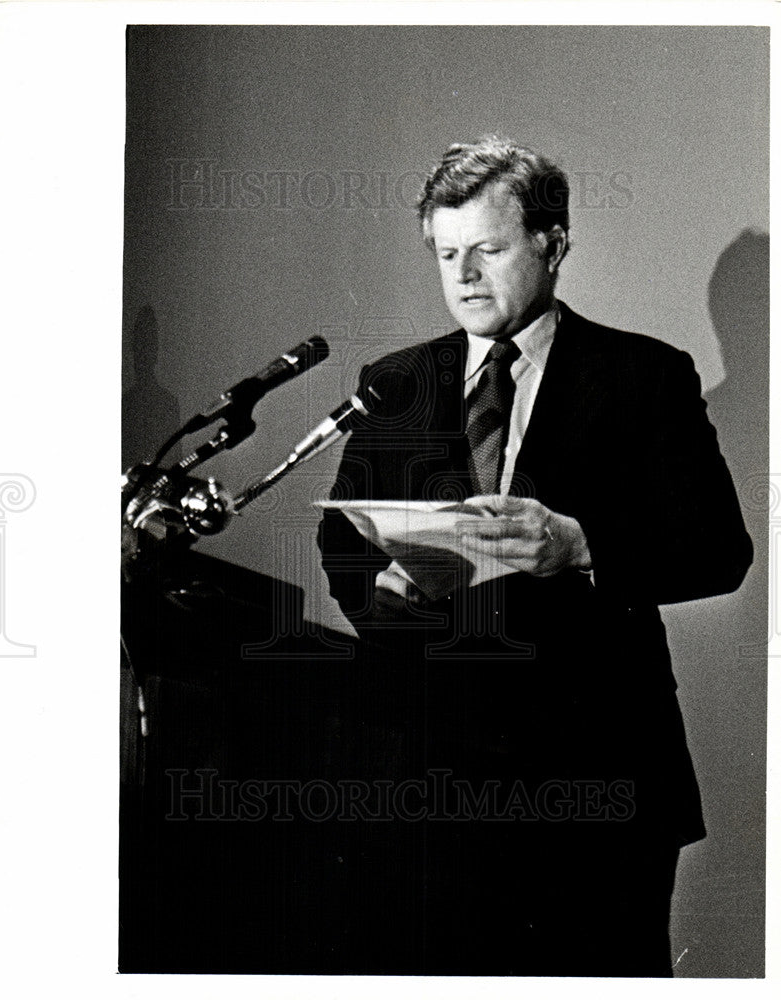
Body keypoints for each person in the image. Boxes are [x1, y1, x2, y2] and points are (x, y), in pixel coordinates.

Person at [316, 137, 753, 976]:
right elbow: (342, 544)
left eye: (488, 248)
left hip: (596, 777)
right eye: (447, 253)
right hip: (428, 777)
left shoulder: (645, 376)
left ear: (553, 244)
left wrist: (580, 546)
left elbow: (717, 551)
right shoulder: (392, 382)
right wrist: (383, 590)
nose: (464, 275)